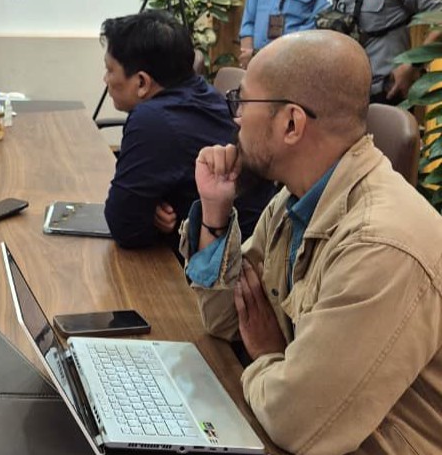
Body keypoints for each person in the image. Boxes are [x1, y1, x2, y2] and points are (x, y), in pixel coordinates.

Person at [182, 30, 442, 454]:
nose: (235, 118)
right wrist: (213, 213)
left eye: (242, 102)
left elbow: (297, 424)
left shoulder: (381, 245)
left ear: (291, 123)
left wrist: (267, 354)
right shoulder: (296, 199)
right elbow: (229, 319)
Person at [100, 11, 274, 253]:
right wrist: (150, 207)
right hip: (241, 248)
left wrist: (146, 211)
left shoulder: (153, 121)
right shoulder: (204, 93)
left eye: (110, 70)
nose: (105, 79)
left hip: (230, 266)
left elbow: (125, 227)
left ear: (141, 82)